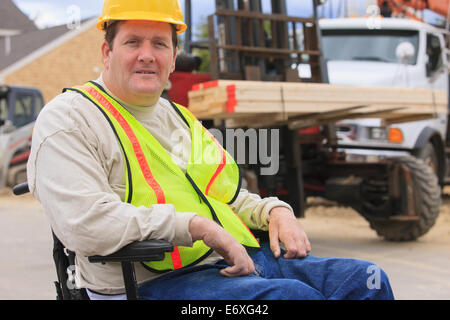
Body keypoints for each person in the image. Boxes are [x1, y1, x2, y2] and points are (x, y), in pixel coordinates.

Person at [27, 0, 394, 300]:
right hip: (149, 283)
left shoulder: (181, 118)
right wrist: (196, 227)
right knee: (292, 298)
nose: (147, 55)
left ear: (173, 57)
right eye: (133, 42)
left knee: (366, 281)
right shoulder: (70, 119)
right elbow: (86, 224)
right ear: (107, 52)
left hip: (233, 259)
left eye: (159, 44)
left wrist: (274, 210)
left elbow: (228, 195)